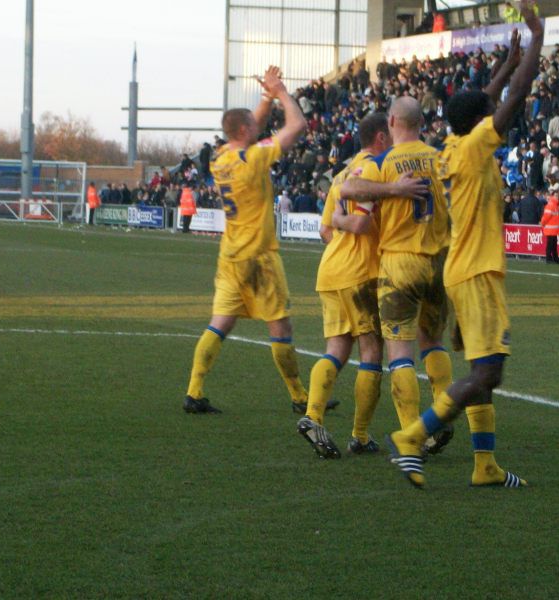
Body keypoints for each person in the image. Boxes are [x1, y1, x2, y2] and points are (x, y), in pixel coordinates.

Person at [385, 0, 542, 489]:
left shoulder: (453, 142)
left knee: (481, 371)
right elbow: (514, 98)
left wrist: (505, 64)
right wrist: (536, 38)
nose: (495, 111)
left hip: (463, 268)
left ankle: (485, 466)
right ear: (481, 121)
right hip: (476, 272)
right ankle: (413, 434)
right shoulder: (474, 146)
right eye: (489, 113)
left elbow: (483, 99)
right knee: (487, 375)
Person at [182, 65, 313, 415]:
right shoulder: (253, 158)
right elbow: (297, 126)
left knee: (220, 322)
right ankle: (300, 396)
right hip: (259, 257)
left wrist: (265, 97)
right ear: (244, 131)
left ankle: (194, 391)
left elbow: (248, 128)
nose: (260, 126)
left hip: (230, 255)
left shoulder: (222, 158)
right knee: (281, 326)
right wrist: (283, 92)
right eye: (253, 126)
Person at [297, 113, 419, 458]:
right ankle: (360, 435)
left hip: (330, 271)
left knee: (335, 349)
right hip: (361, 273)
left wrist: (338, 221)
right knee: (372, 353)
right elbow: (363, 226)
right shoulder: (373, 171)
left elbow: (325, 232)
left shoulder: (340, 175)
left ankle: (312, 415)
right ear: (381, 137)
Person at [340, 97, 453, 455]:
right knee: (433, 341)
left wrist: (392, 189)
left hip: (401, 262)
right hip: (439, 262)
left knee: (399, 350)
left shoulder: (382, 161)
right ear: (421, 123)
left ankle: (413, 434)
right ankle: (442, 416)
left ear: (391, 121)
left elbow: (348, 189)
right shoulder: (441, 160)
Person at [540, 192, 559, 264]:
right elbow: (546, 217)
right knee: (550, 245)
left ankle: (554, 259)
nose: (558, 197)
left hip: (553, 229)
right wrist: (542, 223)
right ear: (552, 196)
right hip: (551, 229)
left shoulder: (556, 205)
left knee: (553, 245)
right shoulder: (552, 205)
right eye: (556, 195)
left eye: (558, 195)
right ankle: (549, 258)